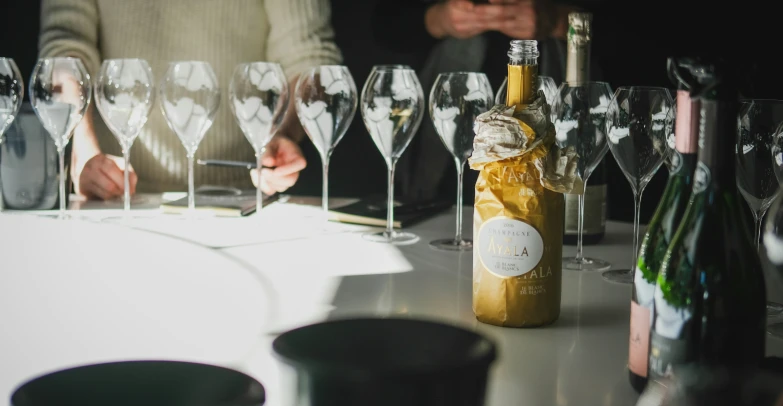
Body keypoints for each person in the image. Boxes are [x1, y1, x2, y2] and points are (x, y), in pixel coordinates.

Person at [38, 0, 342, 200]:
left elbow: (309, 58)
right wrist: (83, 148)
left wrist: (284, 133)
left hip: (241, 197)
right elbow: (64, 50)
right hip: (115, 196)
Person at [371, 0, 582, 204]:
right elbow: (384, 24)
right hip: (454, 110)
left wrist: (558, 20)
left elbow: (612, 23)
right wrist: (439, 19)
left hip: (549, 102)